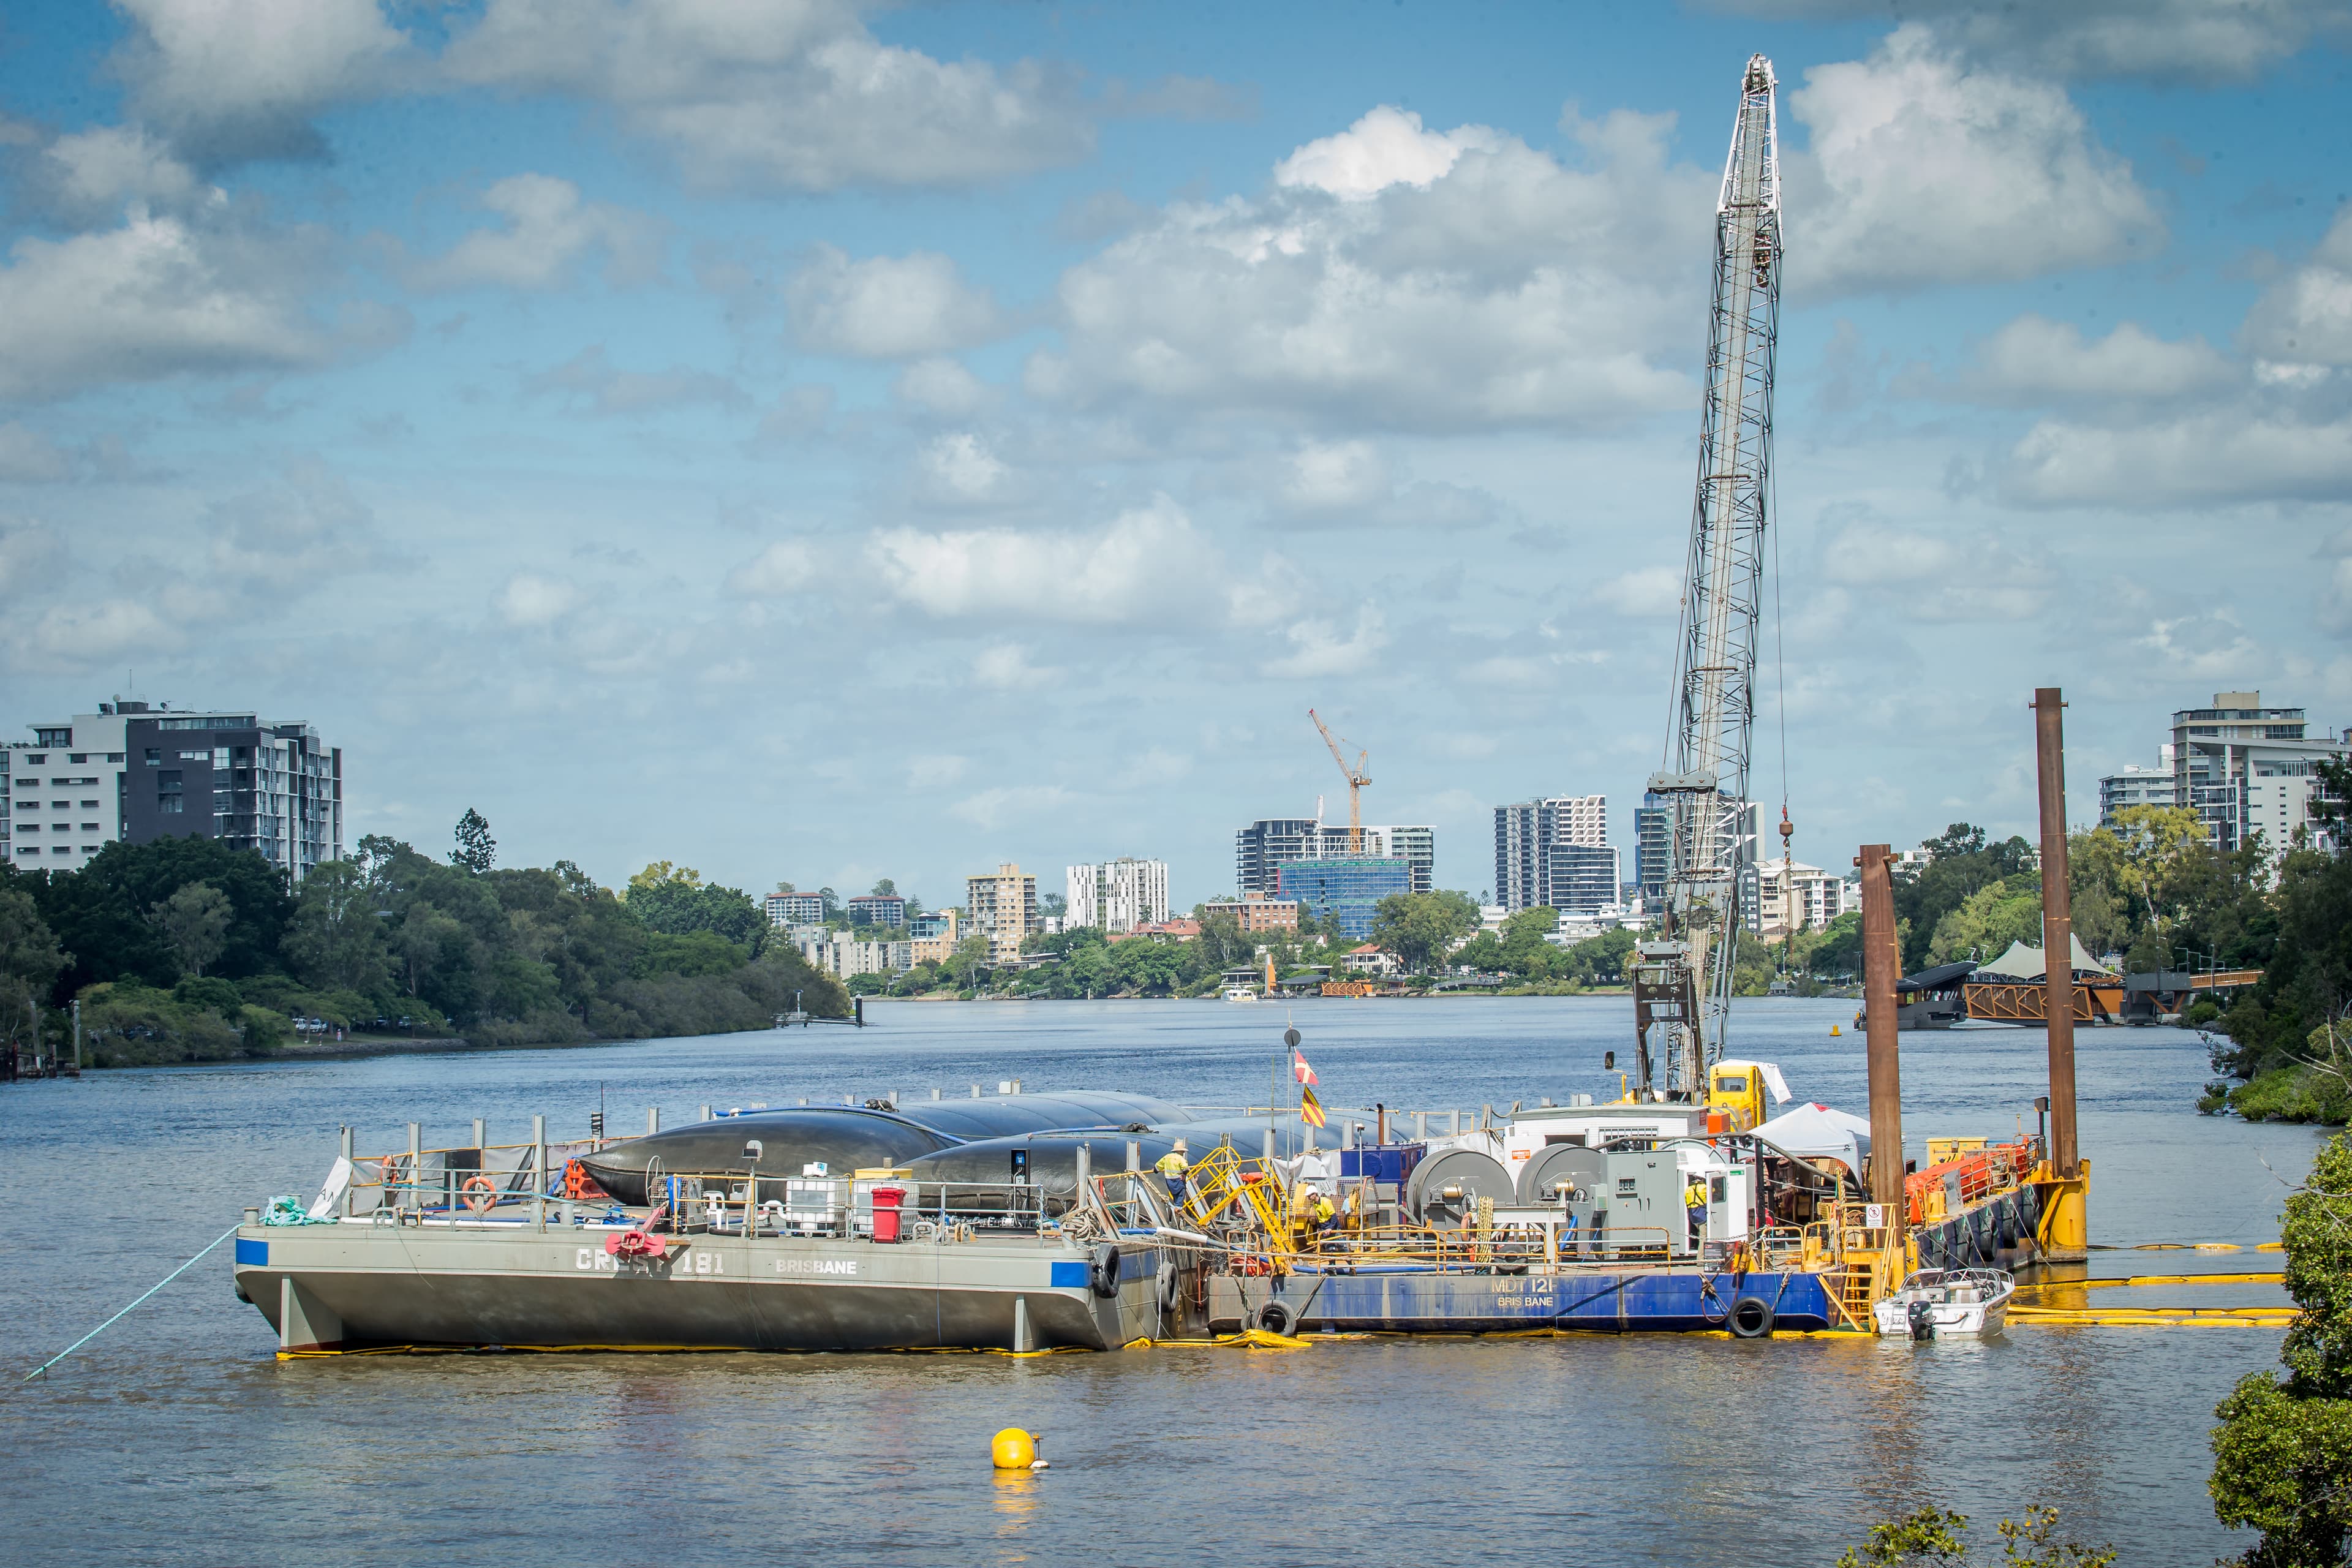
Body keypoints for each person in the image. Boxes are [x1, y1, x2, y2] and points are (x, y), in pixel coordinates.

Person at [1155, 1140, 1190, 1212]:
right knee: (1181, 1191)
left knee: (1174, 1192)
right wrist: (1184, 1174)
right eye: (1183, 1151)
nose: (1183, 1153)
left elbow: (1159, 1165)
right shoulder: (1180, 1158)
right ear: (1179, 1151)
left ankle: (1176, 1205)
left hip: (1169, 1179)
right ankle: (1179, 1207)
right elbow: (1186, 1168)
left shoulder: (1167, 1157)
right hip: (1178, 1179)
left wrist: (1155, 1170)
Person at [1685, 1174, 1709, 1248]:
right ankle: (1701, 1257)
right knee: (1703, 1237)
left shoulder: (1688, 1189)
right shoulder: (1705, 1187)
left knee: (1700, 1235)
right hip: (1702, 1215)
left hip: (1693, 1216)